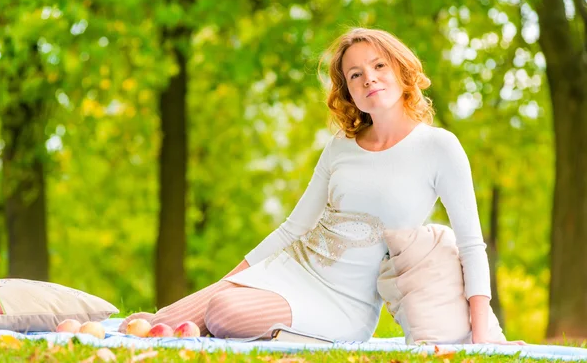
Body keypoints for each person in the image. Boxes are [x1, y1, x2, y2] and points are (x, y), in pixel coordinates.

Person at [120, 28, 524, 344]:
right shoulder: (340, 147)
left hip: (344, 304)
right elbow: (293, 228)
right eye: (355, 74)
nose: (369, 78)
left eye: (379, 66)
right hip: (290, 269)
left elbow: (471, 246)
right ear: (348, 90)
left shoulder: (439, 147)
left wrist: (481, 334)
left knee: (225, 312)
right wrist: (233, 277)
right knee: (149, 325)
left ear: (402, 72)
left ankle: (277, 331)